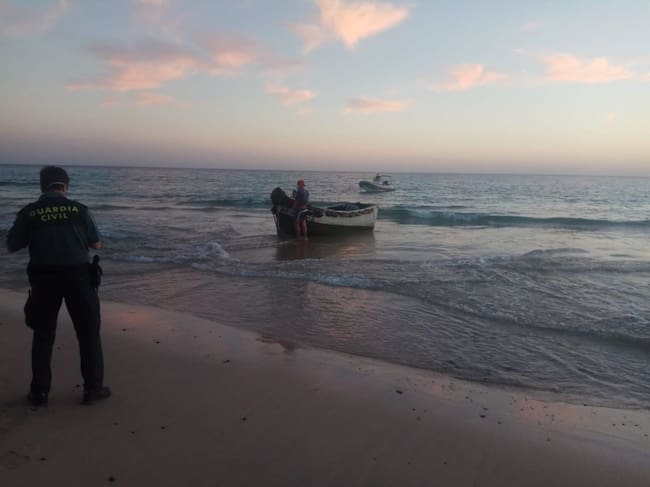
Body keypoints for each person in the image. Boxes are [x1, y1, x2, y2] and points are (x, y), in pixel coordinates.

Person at [6, 166, 111, 406]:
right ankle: (92, 390)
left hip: (43, 280)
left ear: (42, 186)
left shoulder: (29, 212)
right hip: (79, 278)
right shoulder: (79, 210)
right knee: (88, 334)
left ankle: (40, 392)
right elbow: (96, 244)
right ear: (65, 186)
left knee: (43, 335)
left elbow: (11, 246)